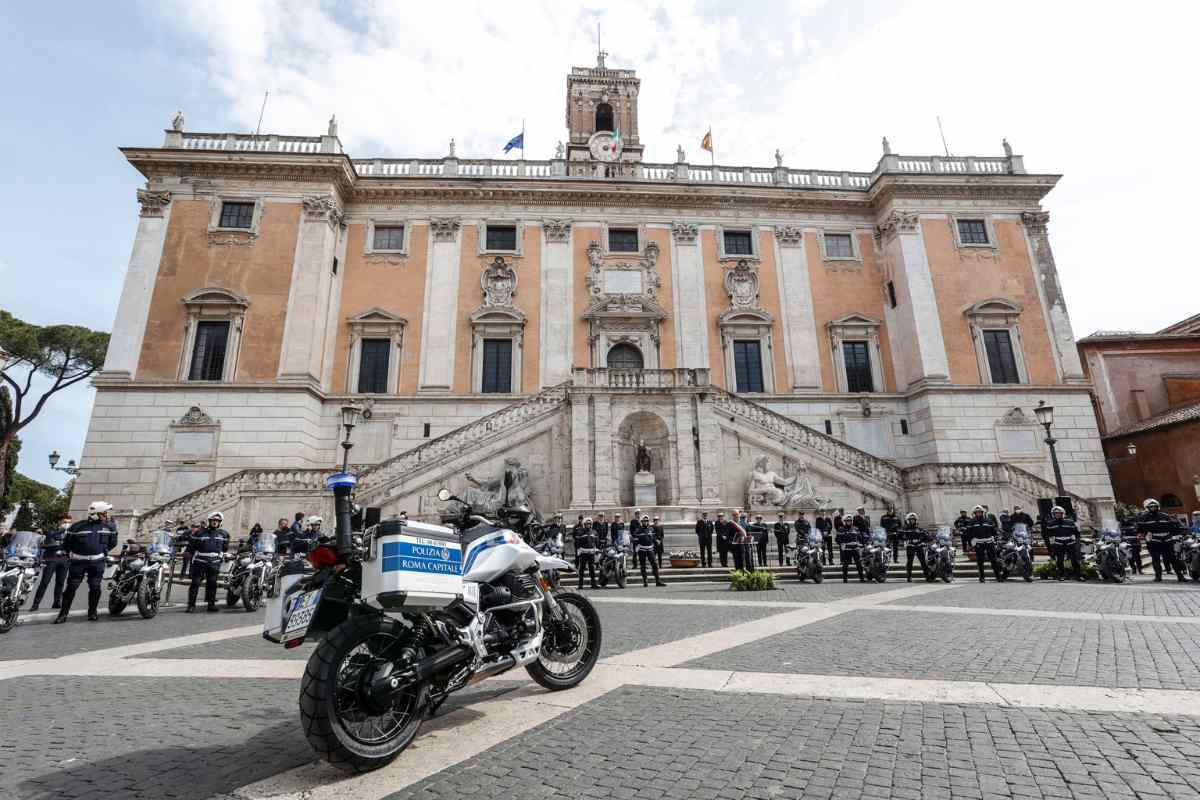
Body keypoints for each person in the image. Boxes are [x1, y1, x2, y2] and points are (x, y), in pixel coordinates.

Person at [56, 502, 118, 623]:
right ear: (95, 514)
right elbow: (67, 543)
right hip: (78, 562)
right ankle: (63, 614)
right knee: (71, 588)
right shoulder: (77, 527)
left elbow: (113, 542)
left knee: (95, 588)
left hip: (97, 562)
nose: (106, 515)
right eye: (103, 513)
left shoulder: (110, 527)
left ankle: (92, 612)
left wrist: (102, 551)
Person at [185, 511, 230, 612]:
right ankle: (191, 605)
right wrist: (188, 554)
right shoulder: (199, 532)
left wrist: (221, 556)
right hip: (200, 561)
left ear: (220, 522)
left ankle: (211, 604)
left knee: (212, 583)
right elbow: (191, 546)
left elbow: (225, 548)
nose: (215, 522)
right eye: (213, 520)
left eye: (217, 521)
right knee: (195, 583)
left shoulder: (224, 534)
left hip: (214, 562)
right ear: (209, 521)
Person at [31, 515, 71, 612]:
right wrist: (62, 531)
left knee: (60, 582)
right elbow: (52, 538)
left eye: (69, 522)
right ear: (59, 522)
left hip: (64, 559)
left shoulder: (70, 533)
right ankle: (36, 604)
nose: (67, 524)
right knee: (45, 582)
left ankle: (56, 602)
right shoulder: (52, 531)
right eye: (64, 522)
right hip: (51, 559)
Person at [1138, 498, 1184, 582]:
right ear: (1147, 508)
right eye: (1151, 507)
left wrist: (1177, 535)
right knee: (1156, 560)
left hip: (1167, 541)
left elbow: (1172, 527)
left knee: (1173, 559)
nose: (1153, 508)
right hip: (1153, 542)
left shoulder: (1165, 516)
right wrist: (1142, 535)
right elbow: (1140, 529)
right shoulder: (1143, 518)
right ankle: (1158, 577)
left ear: (1158, 507)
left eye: (1154, 506)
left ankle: (1180, 576)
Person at [1044, 505, 1082, 581]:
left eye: (1059, 513)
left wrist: (1076, 541)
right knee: (1060, 560)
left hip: (1070, 543)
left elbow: (1076, 533)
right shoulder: (1050, 524)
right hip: (1059, 544)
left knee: (1074, 560)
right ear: (1053, 515)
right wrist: (1052, 545)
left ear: (1062, 513)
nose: (1057, 514)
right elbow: (1048, 535)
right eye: (1055, 513)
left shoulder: (1070, 522)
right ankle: (1061, 575)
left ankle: (1078, 575)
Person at [965, 505, 1001, 582]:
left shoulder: (989, 521)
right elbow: (968, 533)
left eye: (979, 512)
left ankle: (998, 577)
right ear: (974, 513)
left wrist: (995, 539)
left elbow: (994, 531)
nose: (978, 514)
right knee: (980, 561)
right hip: (979, 543)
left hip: (989, 542)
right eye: (976, 512)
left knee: (993, 560)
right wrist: (971, 543)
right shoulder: (972, 522)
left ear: (982, 512)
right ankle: (982, 577)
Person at [633, 514, 666, 587]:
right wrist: (636, 544)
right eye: (644, 521)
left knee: (654, 565)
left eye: (647, 521)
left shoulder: (651, 529)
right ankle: (645, 581)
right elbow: (634, 538)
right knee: (643, 566)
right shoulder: (638, 529)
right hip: (642, 550)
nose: (645, 522)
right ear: (641, 522)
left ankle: (658, 581)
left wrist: (656, 540)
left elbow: (653, 537)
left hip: (650, 549)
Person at [901, 512, 930, 582]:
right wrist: (901, 535)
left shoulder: (919, 529)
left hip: (919, 546)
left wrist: (926, 535)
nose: (912, 521)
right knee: (910, 562)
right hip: (910, 546)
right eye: (910, 520)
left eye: (913, 519)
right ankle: (909, 576)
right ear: (908, 520)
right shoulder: (905, 529)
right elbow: (902, 536)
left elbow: (926, 536)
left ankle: (927, 576)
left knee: (923, 562)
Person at [574, 516, 599, 589]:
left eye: (589, 523)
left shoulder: (594, 532)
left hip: (591, 553)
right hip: (583, 553)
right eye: (587, 524)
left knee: (592, 569)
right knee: (581, 569)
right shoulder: (580, 532)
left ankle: (593, 584)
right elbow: (578, 542)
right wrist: (578, 551)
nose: (588, 525)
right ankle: (580, 585)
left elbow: (596, 542)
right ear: (584, 524)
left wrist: (596, 550)